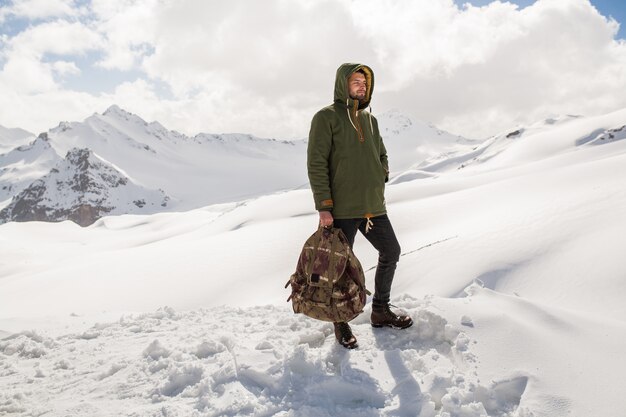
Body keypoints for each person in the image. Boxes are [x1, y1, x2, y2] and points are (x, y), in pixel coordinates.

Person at [307, 63, 413, 349]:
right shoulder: (325, 118)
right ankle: (340, 322)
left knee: (391, 251)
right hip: (341, 209)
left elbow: (381, 151)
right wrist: (324, 206)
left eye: (364, 82)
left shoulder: (370, 120)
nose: (361, 86)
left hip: (373, 207)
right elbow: (316, 163)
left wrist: (382, 172)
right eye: (356, 81)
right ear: (343, 84)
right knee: (337, 267)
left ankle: (380, 309)